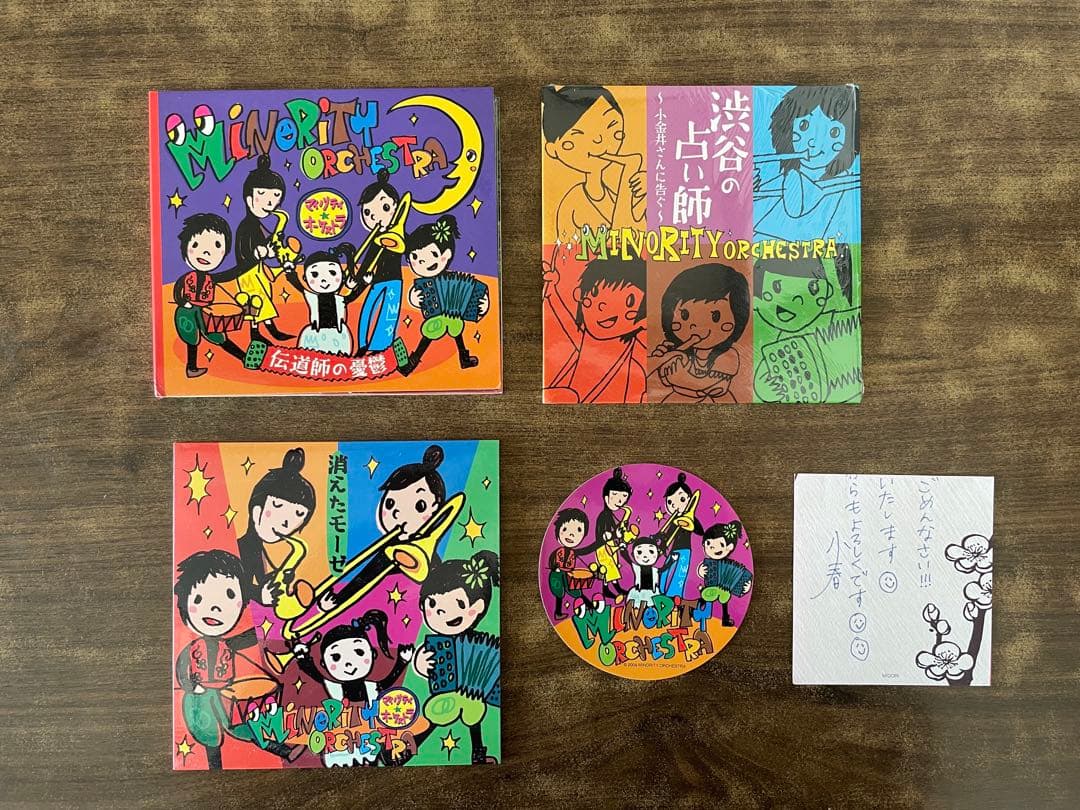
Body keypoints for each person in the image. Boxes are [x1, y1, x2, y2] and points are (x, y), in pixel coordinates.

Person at [408, 552, 501, 765]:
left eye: (458, 604)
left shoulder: (485, 645)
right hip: (448, 694)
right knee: (439, 714)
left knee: (473, 714)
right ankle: (413, 743)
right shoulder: (439, 646)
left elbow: (492, 666)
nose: (442, 612)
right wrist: (421, 665)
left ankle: (477, 752)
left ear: (476, 608)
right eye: (433, 605)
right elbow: (422, 662)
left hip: (473, 699)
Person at [541, 85, 646, 244]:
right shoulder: (573, 204)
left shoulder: (610, 195)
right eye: (580, 135)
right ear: (553, 149)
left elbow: (635, 228)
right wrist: (629, 169)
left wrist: (647, 194)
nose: (599, 140)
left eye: (614, 130)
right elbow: (620, 239)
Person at [543, 256, 647, 403]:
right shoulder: (574, 345)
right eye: (595, 292)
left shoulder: (636, 373)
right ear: (579, 295)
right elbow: (566, 323)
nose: (603, 306)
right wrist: (552, 291)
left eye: (629, 301)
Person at [400, 214, 489, 374]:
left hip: (454, 319)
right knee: (429, 335)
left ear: (445, 255)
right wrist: (414, 299)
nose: (421, 262)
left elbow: (476, 294)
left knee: (456, 332)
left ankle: (463, 359)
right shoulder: (424, 285)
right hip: (437, 318)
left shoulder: (454, 280)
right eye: (414, 257)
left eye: (432, 255)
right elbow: (414, 296)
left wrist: (483, 306)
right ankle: (412, 362)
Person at [651, 264, 751, 403]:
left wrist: (680, 374)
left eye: (715, 316)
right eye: (684, 315)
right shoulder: (676, 349)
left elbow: (713, 386)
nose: (695, 325)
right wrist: (662, 361)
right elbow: (666, 380)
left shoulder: (729, 355)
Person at [171, 213, 247, 377]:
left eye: (217, 246)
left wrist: (251, 260)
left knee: (218, 336)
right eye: (196, 244)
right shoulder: (186, 278)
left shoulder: (211, 278)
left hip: (205, 311)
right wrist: (183, 302)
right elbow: (178, 291)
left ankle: (243, 357)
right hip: (186, 312)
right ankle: (191, 368)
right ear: (185, 246)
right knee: (191, 339)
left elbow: (233, 273)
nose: (206, 252)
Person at [353, 169, 406, 355]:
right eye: (368, 212)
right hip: (376, 280)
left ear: (395, 207)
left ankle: (380, 348)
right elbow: (367, 262)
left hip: (394, 281)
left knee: (388, 316)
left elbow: (409, 248)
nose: (375, 217)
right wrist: (358, 279)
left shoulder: (400, 236)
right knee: (367, 310)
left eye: (385, 208)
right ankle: (362, 345)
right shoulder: (375, 239)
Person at [284, 242, 363, 355]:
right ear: (305, 278)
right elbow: (299, 286)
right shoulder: (312, 297)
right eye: (315, 274)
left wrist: (364, 283)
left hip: (338, 334)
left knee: (339, 357)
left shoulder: (339, 299)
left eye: (332, 273)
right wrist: (290, 272)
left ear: (342, 276)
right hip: (315, 334)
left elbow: (352, 296)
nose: (324, 280)